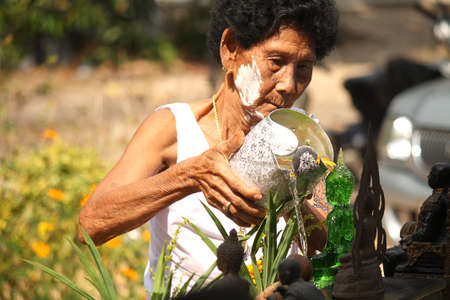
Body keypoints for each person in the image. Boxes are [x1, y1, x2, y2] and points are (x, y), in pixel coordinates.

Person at [78, 0, 339, 294]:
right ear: (230, 50)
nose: (289, 85)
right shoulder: (174, 128)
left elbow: (336, 245)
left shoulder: (301, 136)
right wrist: (189, 176)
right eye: (276, 62)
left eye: (304, 68)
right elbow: (90, 225)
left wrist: (289, 193)